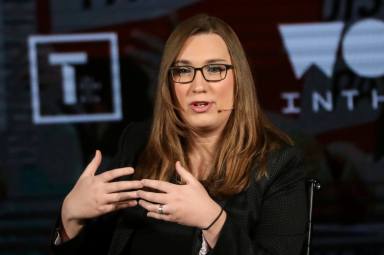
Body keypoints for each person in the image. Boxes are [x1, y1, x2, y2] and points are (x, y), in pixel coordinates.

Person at [51, 14, 308, 255]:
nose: (198, 86)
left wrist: (214, 221)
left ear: (238, 79)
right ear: (169, 84)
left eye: (215, 69)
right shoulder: (139, 143)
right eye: (183, 71)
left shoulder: (280, 163)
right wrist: (70, 220)